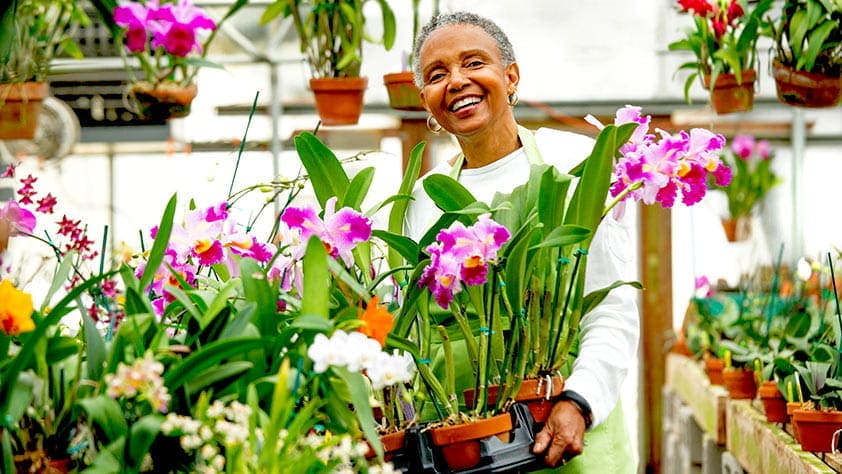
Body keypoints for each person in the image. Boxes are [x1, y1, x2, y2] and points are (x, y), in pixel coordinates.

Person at [404, 11, 639, 473]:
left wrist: (581, 401)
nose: (456, 81)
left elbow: (611, 306)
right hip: (463, 443)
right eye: (437, 74)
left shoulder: (572, 164)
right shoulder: (423, 197)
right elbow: (418, 329)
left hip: (563, 427)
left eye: (474, 63)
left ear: (510, 76)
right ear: (426, 100)